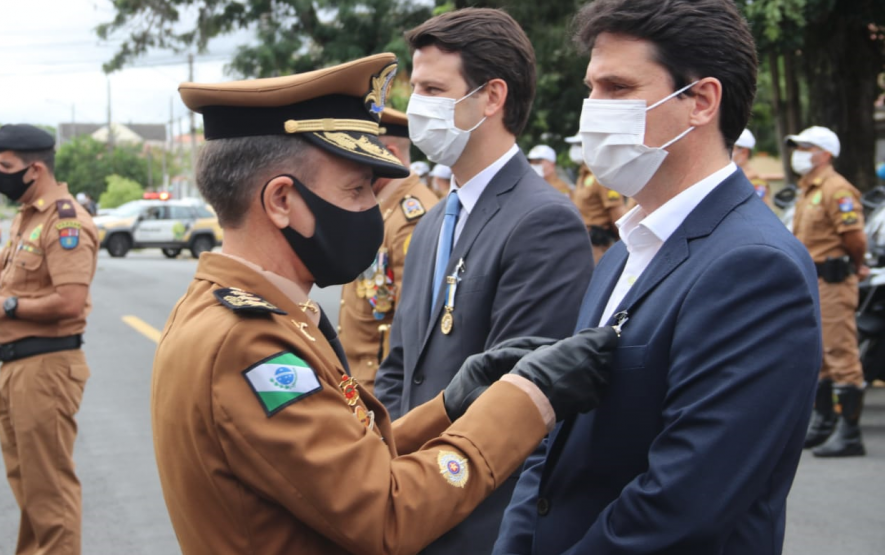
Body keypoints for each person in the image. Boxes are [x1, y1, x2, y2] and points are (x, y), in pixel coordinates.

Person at [151, 52, 617, 555]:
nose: (371, 211)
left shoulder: (235, 312)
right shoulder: (248, 344)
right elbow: (385, 512)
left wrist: (450, 406)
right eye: (355, 191)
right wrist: (527, 398)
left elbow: (347, 462)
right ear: (281, 201)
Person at [494, 1, 822, 554]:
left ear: (701, 100)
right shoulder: (627, 251)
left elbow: (683, 503)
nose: (593, 109)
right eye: (591, 88)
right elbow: (555, 446)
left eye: (617, 88)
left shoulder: (755, 268)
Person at [374, 9, 593, 554]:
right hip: (410, 507)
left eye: (432, 88)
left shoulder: (542, 220)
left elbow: (521, 399)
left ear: (491, 96)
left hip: (477, 518)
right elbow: (401, 368)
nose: (416, 105)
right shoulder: (431, 225)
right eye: (414, 87)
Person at [0, 124, 98, 555]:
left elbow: (71, 300)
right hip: (17, 368)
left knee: (50, 493)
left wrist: (8, 308)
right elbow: (0, 274)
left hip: (47, 369)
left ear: (34, 168)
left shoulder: (65, 222)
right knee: (28, 488)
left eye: (6, 166)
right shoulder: (28, 217)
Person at [338, 107, 438, 392]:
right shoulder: (384, 207)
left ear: (390, 155)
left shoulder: (412, 216)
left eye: (359, 155)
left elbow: (412, 327)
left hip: (383, 387)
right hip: (362, 382)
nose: (350, 165)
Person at [788, 125, 869, 457]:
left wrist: (856, 262)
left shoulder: (838, 189)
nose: (799, 153)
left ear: (824, 153)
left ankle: (850, 434)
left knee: (840, 353)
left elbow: (855, 238)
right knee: (819, 353)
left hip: (834, 281)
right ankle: (824, 424)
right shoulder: (808, 189)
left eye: (805, 147)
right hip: (813, 280)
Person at [565, 131, 626, 263]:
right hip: (584, 242)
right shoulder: (583, 175)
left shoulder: (602, 175)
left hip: (599, 245)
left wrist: (625, 245)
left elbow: (616, 212)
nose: (575, 149)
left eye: (579, 144)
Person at [733, 128, 773, 208]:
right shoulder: (738, 178)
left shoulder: (754, 182)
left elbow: (759, 212)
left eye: (729, 148)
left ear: (744, 152)